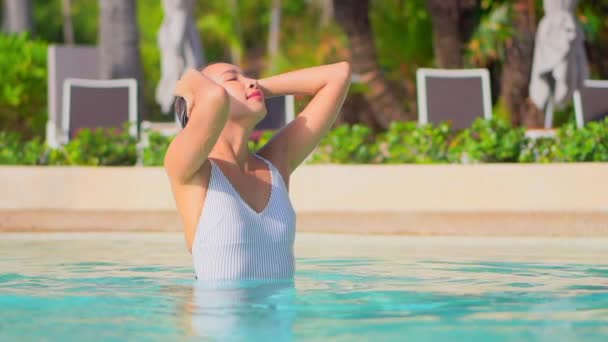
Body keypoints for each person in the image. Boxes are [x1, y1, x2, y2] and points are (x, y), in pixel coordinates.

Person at [164, 61, 351, 281]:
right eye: (233, 78)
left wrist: (252, 88)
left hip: (277, 315)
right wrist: (190, 77)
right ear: (197, 103)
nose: (251, 82)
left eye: (249, 78)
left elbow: (338, 74)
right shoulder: (190, 169)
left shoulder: (276, 164)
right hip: (212, 314)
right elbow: (215, 99)